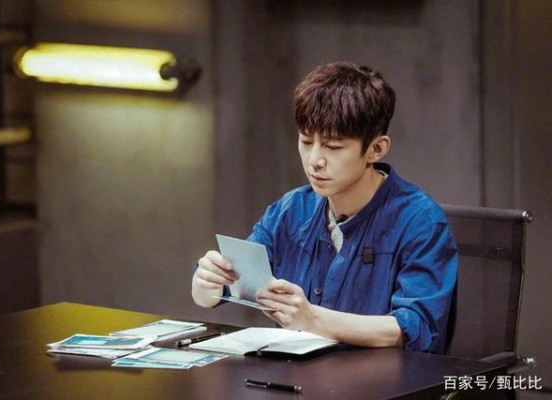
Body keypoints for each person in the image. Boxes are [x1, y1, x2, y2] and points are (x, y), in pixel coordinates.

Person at [192, 61, 457, 353]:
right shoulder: (291, 210)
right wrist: (208, 285)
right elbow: (233, 283)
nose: (315, 160)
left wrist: (312, 319)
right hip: (297, 372)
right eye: (306, 141)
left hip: (383, 377)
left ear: (376, 149)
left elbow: (417, 327)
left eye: (333, 147)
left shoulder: (420, 221)